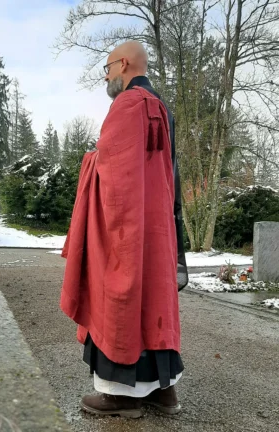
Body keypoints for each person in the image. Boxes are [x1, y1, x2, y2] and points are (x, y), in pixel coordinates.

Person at [60, 41, 186, 419]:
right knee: (155, 299)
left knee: (121, 294)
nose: (106, 76)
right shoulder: (162, 107)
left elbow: (112, 174)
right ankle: (164, 392)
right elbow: (169, 175)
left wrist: (90, 161)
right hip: (157, 224)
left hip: (128, 227)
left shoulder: (128, 105)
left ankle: (122, 396)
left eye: (108, 68)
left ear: (124, 64)